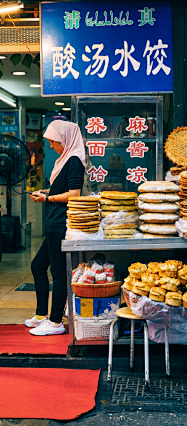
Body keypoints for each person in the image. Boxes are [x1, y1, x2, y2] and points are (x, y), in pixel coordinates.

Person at [25, 120, 86, 336]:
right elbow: (61, 188)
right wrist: (46, 191)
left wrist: (48, 198)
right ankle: (42, 315)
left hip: (61, 224)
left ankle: (56, 322)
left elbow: (74, 194)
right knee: (38, 266)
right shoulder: (64, 159)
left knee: (58, 275)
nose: (51, 145)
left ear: (66, 139)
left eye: (53, 141)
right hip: (53, 223)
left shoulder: (74, 160)